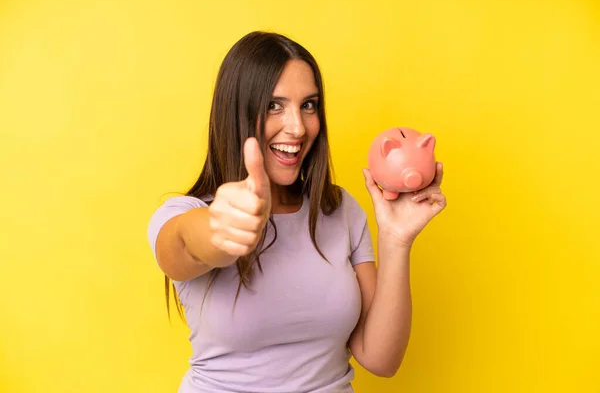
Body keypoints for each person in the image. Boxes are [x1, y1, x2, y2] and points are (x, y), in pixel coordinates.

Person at [147, 31, 446, 393]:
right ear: (237, 114)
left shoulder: (340, 210)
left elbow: (381, 359)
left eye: (308, 105)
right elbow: (181, 247)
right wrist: (221, 230)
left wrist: (397, 241)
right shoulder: (189, 214)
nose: (298, 127)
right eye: (274, 105)